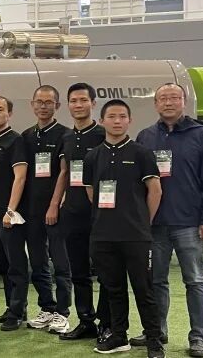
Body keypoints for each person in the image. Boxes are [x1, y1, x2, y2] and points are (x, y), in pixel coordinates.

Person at [133, 83, 203, 358]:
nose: (168, 103)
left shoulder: (202, 135)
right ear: (155, 104)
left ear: (184, 101)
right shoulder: (146, 136)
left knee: (195, 281)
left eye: (174, 98)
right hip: (155, 224)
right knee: (156, 282)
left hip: (189, 223)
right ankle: (156, 332)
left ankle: (198, 337)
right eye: (163, 98)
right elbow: (137, 182)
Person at [83, 99, 165, 358]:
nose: (117, 121)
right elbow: (91, 192)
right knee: (113, 289)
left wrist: (142, 222)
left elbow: (155, 191)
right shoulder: (93, 156)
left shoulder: (142, 153)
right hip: (103, 235)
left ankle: (154, 340)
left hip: (136, 236)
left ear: (130, 120)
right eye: (112, 116)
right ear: (102, 120)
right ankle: (119, 335)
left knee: (144, 289)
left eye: (122, 116)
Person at [56, 83, 109, 342]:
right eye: (73, 101)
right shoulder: (66, 137)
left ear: (93, 103)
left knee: (106, 273)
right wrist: (55, 204)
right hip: (73, 213)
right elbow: (64, 173)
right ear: (68, 105)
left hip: (101, 215)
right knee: (78, 272)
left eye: (83, 100)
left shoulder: (102, 134)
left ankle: (107, 323)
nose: (78, 105)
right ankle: (86, 321)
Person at [19, 86, 73, 333]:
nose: (43, 106)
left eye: (48, 102)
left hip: (55, 211)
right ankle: (47, 307)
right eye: (39, 102)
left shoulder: (65, 135)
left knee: (60, 263)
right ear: (32, 105)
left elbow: (64, 172)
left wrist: (53, 205)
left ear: (57, 106)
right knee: (38, 262)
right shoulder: (26, 136)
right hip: (30, 212)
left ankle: (62, 312)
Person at [0, 97, 29, 331]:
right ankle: (11, 307)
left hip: (8, 215)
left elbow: (20, 177)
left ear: (9, 113)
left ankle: (18, 312)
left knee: (16, 264)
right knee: (3, 265)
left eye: (0, 110)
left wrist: (10, 211)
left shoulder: (15, 140)